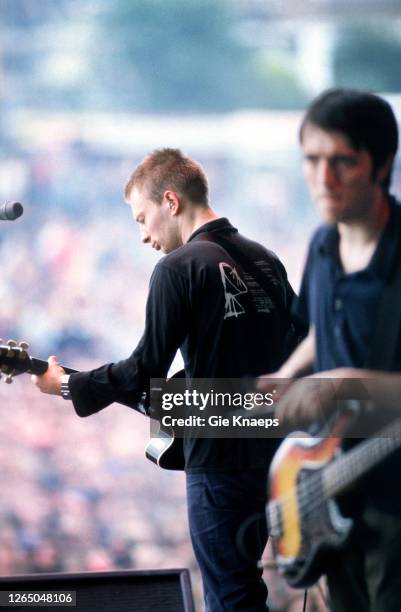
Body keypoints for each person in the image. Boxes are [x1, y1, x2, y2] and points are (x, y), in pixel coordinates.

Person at [32, 148, 299, 611]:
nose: (143, 235)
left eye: (142, 218)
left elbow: (145, 370)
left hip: (220, 459)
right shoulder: (267, 260)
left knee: (231, 595)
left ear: (170, 202)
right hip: (282, 454)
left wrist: (71, 385)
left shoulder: (177, 269)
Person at [260, 89, 401, 611]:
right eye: (313, 160)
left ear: (382, 164)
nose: (325, 178)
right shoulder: (322, 247)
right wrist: (290, 372)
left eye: (343, 161)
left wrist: (342, 383)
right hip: (334, 487)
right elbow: (325, 327)